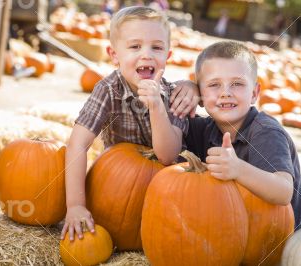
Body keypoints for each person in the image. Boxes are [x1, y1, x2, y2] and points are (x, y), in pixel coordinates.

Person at [60, 6, 199, 241]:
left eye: (156, 47)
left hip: (165, 194)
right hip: (117, 188)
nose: (146, 54)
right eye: (135, 46)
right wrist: (75, 205)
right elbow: (77, 145)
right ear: (114, 55)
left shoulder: (175, 96)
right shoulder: (107, 90)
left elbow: (167, 156)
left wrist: (156, 106)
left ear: (168, 55)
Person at [184, 41, 301, 230]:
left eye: (237, 84)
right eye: (214, 85)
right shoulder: (204, 128)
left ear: (254, 93)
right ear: (200, 96)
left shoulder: (266, 132)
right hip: (241, 237)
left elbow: (284, 191)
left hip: (289, 243)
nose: (225, 93)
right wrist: (184, 87)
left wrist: (237, 169)